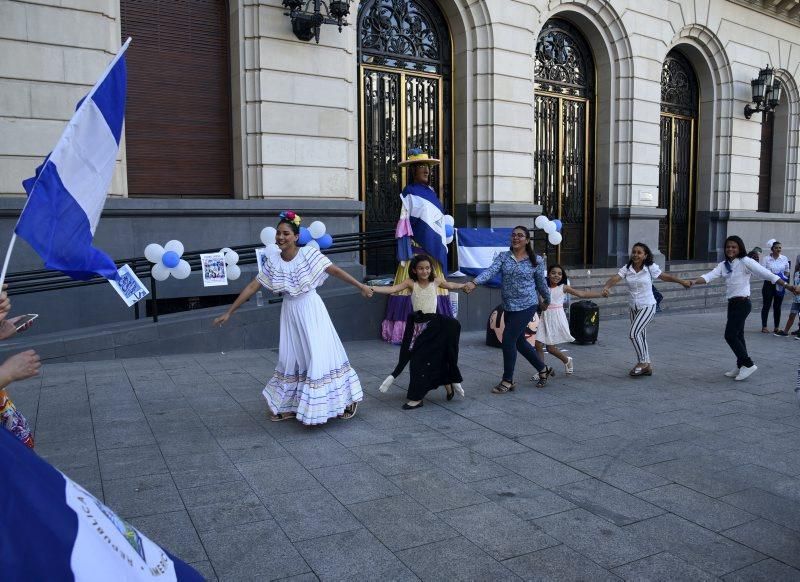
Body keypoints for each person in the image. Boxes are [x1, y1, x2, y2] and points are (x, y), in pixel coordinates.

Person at [213, 211, 371, 425]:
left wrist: (360, 285)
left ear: (296, 237)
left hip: (311, 309)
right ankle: (290, 404)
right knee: (292, 357)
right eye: (278, 233)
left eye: (286, 233)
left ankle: (346, 400)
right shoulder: (273, 262)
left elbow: (334, 271)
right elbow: (252, 286)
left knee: (319, 354)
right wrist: (229, 311)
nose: (280, 237)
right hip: (290, 312)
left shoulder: (309, 255)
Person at [691, 235, 796, 381]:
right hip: (732, 304)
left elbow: (766, 273)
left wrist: (787, 285)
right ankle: (741, 365)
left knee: (730, 335)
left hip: (743, 303)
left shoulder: (746, 261)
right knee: (738, 335)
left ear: (739, 248)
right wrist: (693, 281)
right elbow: (709, 276)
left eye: (734, 247)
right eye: (728, 246)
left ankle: (748, 364)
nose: (730, 249)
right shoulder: (724, 264)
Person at [464, 225, 552, 392]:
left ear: (527, 240)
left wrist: (547, 299)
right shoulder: (504, 257)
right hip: (509, 305)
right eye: (513, 235)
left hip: (527, 305)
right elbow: (490, 272)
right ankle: (543, 369)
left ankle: (508, 379)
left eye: (520, 236)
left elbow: (541, 283)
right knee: (519, 342)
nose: (516, 238)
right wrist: (474, 282)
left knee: (508, 339)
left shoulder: (536, 260)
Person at [371, 254, 465, 409]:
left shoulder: (436, 281)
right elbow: (392, 289)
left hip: (434, 326)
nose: (425, 271)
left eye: (427, 268)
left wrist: (465, 285)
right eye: (421, 268)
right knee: (417, 361)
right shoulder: (410, 283)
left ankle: (419, 396)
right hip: (418, 328)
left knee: (434, 358)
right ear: (414, 270)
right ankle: (441, 384)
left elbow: (452, 285)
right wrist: (372, 288)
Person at [381, 149, 453, 343]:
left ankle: (437, 328)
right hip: (416, 250)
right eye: (422, 167)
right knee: (408, 289)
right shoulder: (409, 192)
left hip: (433, 252)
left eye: (428, 168)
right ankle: (408, 331)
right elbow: (403, 223)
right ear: (413, 170)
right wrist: (405, 250)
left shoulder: (431, 192)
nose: (427, 171)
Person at [601, 242, 692, 377]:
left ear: (645, 255)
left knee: (633, 334)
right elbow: (616, 278)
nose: (635, 255)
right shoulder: (627, 268)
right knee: (641, 336)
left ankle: (642, 362)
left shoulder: (650, 268)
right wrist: (607, 287)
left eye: (639, 253)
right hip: (633, 306)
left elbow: (664, 276)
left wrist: (682, 281)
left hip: (648, 305)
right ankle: (647, 365)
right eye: (634, 252)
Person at [534, 264, 605, 385]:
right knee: (538, 345)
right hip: (545, 318)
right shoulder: (542, 288)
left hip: (556, 318)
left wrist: (600, 294)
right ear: (548, 274)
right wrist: (543, 303)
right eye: (553, 273)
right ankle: (541, 370)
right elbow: (542, 307)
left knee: (550, 348)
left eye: (559, 274)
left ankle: (567, 360)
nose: (556, 275)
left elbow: (581, 294)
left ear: (562, 277)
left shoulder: (563, 287)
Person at [761, 240, 790, 334]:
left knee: (777, 306)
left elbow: (787, 270)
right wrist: (773, 276)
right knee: (766, 305)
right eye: (776, 247)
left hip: (780, 285)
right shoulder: (766, 259)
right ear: (772, 249)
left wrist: (784, 278)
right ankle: (764, 326)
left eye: (780, 247)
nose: (778, 249)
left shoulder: (784, 258)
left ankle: (776, 327)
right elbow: (763, 272)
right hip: (769, 284)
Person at [780, 267, 800, 339]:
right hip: (796, 299)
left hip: (798, 295)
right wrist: (794, 289)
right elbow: (794, 284)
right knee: (791, 315)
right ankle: (785, 332)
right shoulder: (797, 273)